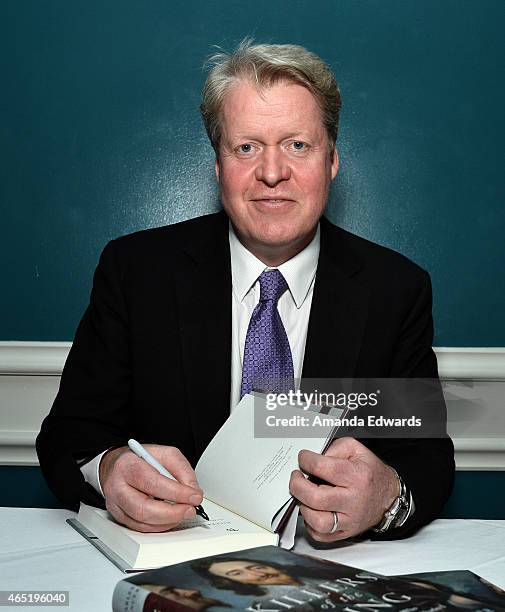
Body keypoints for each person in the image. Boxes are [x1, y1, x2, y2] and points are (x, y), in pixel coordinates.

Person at [36, 40, 454, 542]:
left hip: (335, 571)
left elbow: (427, 458)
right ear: (218, 165)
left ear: (332, 160)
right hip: (174, 562)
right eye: (247, 147)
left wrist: (387, 497)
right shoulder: (136, 272)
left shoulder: (396, 290)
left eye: (297, 145)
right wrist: (109, 470)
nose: (272, 173)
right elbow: (67, 436)